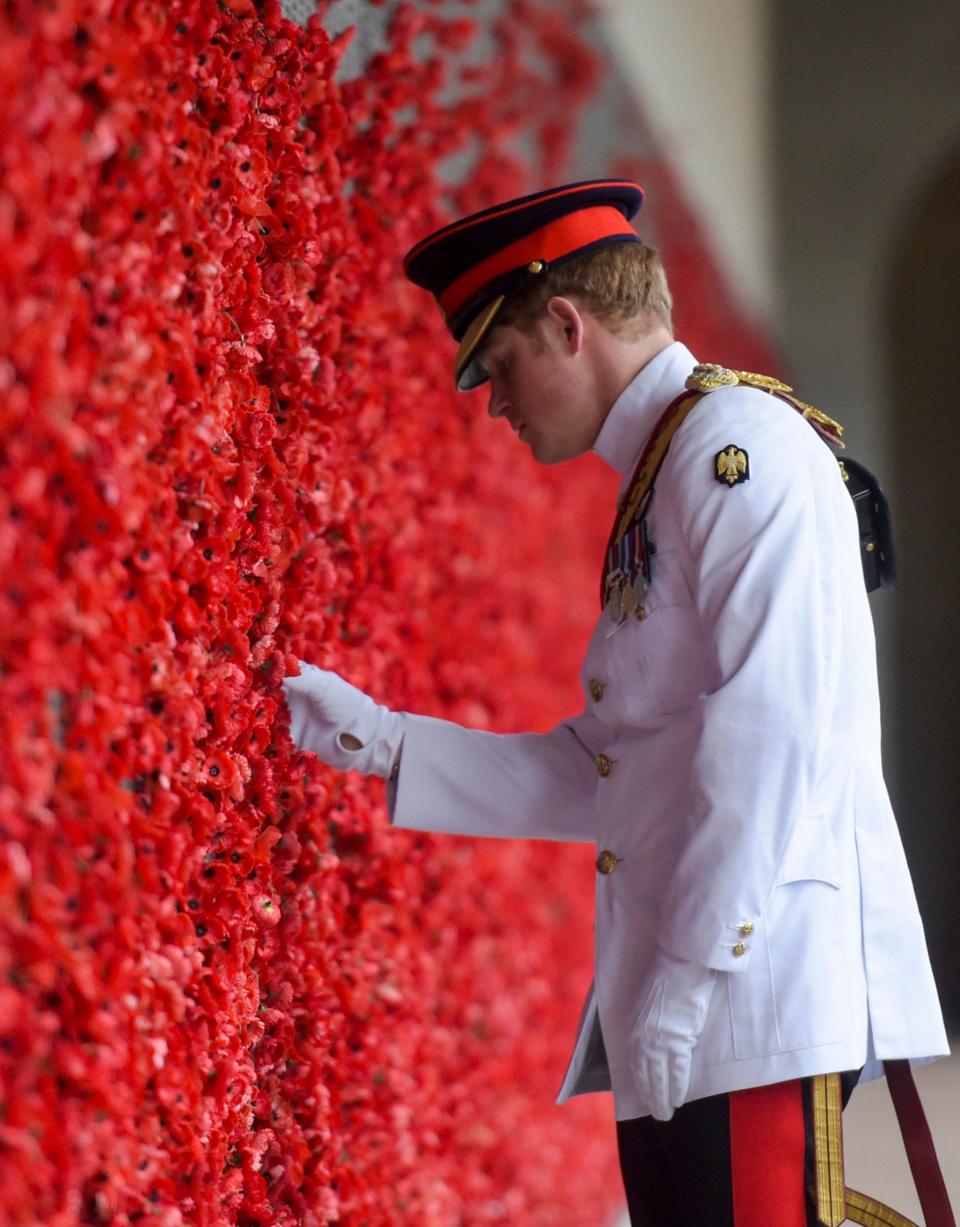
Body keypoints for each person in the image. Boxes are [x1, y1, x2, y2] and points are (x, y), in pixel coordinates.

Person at [280, 180, 950, 1226]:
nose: (496, 403)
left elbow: (772, 729)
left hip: (750, 995)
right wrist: (386, 743)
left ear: (566, 324)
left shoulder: (736, 451)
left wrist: (689, 978)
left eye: (499, 369)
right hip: (706, 1010)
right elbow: (614, 767)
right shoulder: (674, 463)